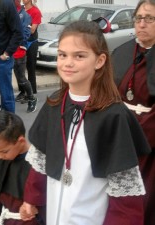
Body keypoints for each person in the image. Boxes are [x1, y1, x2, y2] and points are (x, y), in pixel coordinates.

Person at [25, 20, 151, 225]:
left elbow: (125, 196)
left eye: (79, 56)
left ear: (100, 61)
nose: (67, 63)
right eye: (62, 54)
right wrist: (31, 199)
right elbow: (40, 160)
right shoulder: (54, 104)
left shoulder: (114, 116)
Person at [111, 0, 155, 224]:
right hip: (120, 136)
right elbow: (107, 92)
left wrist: (136, 135)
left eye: (149, 18)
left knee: (146, 201)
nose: (142, 23)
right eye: (138, 18)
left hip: (148, 143)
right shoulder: (122, 52)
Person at [0, 111, 46, 225]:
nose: (0, 156)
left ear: (21, 141)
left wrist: (37, 208)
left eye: (4, 151)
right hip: (6, 220)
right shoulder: (2, 160)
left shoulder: (38, 164)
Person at [16, 0, 41, 102]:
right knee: (19, 70)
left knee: (30, 68)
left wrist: (20, 28)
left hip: (31, 43)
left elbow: (32, 30)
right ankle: (22, 91)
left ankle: (32, 93)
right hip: (21, 43)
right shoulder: (20, 9)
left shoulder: (36, 11)